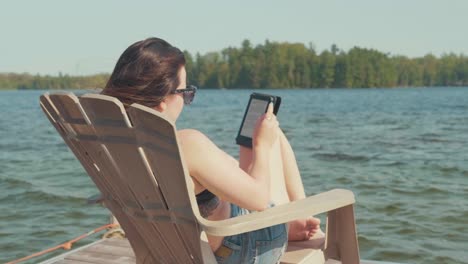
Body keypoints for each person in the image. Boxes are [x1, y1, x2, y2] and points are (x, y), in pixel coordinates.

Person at [101, 37, 320, 263]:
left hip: (172, 249)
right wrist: (261, 145)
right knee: (273, 138)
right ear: (163, 100)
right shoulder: (185, 145)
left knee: (260, 139)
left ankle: (296, 220)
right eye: (186, 93)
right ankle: (301, 219)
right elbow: (260, 200)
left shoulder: (111, 147)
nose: (187, 100)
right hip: (243, 248)